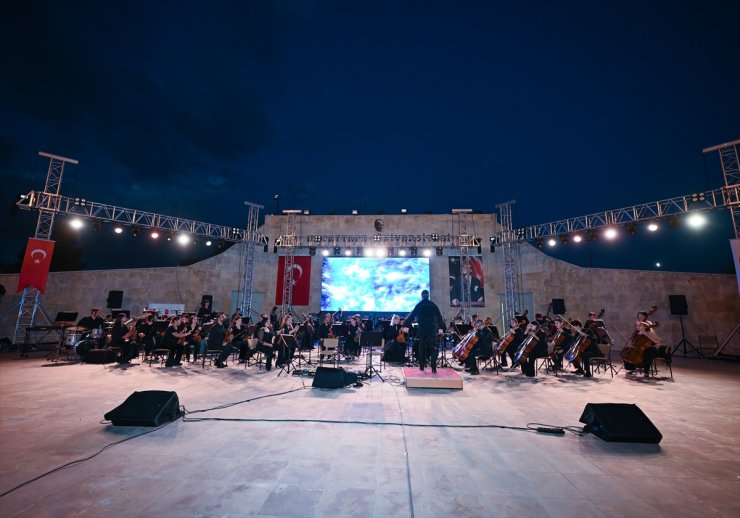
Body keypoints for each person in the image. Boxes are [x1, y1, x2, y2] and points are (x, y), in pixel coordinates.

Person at [404, 290, 446, 373]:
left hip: (422, 328)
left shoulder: (419, 305)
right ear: (428, 296)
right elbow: (439, 316)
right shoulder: (433, 305)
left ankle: (422, 367)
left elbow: (412, 315)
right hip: (431, 328)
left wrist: (406, 325)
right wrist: (441, 327)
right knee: (432, 348)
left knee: (421, 347)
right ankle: (434, 368)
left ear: (421, 296)